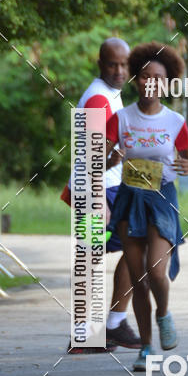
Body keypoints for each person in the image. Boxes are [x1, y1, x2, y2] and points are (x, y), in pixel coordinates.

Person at [105, 42, 188, 371]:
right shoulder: (122, 118)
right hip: (131, 197)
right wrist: (110, 158)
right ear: (136, 80)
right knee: (138, 278)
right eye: (145, 77)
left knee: (156, 271)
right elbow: (97, 158)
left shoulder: (175, 121)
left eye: (158, 78)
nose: (150, 83)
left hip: (162, 197)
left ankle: (164, 313)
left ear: (166, 83)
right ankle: (145, 346)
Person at [60, 37, 140, 354]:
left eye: (124, 65)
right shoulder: (97, 99)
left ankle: (112, 325)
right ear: (100, 64)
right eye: (112, 64)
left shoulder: (110, 95)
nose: (120, 70)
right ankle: (84, 334)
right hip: (95, 188)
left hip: (110, 185)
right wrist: (97, 199)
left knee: (138, 249)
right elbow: (88, 156)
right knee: (90, 256)